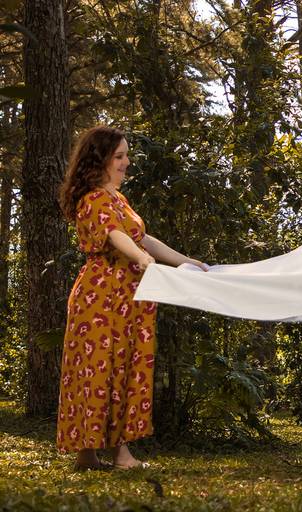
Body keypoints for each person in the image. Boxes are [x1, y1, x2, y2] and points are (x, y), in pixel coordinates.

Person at [56, 126, 208, 470]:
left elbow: (143, 238)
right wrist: (141, 259)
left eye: (127, 155)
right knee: (99, 370)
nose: (127, 162)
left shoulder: (117, 198)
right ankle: (109, 454)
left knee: (122, 367)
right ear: (101, 160)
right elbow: (115, 236)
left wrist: (187, 260)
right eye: (120, 156)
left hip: (128, 296)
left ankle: (92, 455)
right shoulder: (93, 198)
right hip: (102, 296)